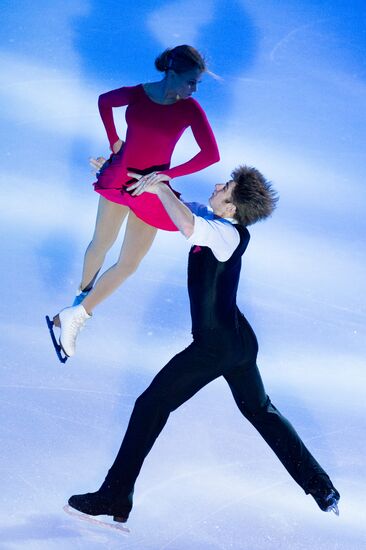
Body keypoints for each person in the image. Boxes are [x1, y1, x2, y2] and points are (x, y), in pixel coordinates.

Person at [67, 165, 340, 523]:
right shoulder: (210, 217)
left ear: (231, 208)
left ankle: (115, 494)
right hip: (237, 340)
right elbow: (170, 212)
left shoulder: (227, 234)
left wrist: (161, 187)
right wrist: (117, 173)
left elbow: (186, 225)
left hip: (216, 347)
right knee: (260, 411)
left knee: (151, 404)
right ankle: (323, 488)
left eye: (225, 187)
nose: (217, 185)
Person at [49, 45, 220, 360]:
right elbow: (105, 102)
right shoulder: (140, 94)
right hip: (121, 178)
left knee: (128, 264)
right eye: (190, 81)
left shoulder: (190, 109)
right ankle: (77, 307)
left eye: (197, 84)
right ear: (171, 73)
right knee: (101, 243)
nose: (194, 90)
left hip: (152, 192)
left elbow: (211, 154)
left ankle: (76, 315)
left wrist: (164, 176)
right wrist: (114, 139)